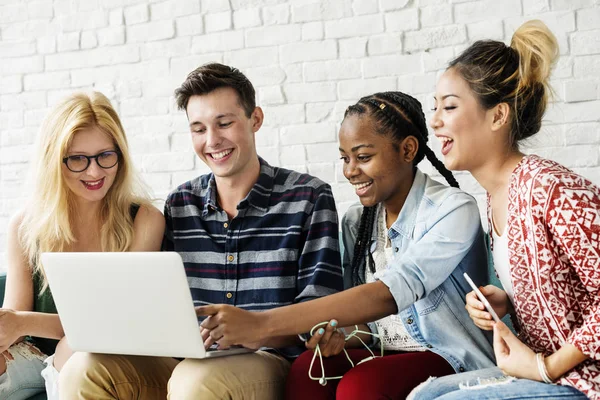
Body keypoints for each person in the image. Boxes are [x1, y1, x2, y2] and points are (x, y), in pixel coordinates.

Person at [59, 63, 343, 400]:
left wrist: (257, 328)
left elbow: (319, 309)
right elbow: (158, 305)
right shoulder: (181, 203)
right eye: (198, 129)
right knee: (83, 369)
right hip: (185, 362)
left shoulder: (308, 196)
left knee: (195, 380)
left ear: (255, 119)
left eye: (224, 123)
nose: (212, 141)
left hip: (267, 360)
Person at [196, 91, 496, 399]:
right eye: (345, 158)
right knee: (306, 370)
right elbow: (370, 326)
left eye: (363, 157)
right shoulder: (358, 221)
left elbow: (389, 292)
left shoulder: (453, 209)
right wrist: (341, 335)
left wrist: (261, 324)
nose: (350, 170)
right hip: (384, 352)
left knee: (362, 385)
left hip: (450, 357)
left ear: (407, 149)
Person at [410, 20, 599, 400]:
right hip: (548, 371)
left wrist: (548, 366)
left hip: (584, 378)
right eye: (435, 107)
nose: (434, 120)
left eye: (449, 106)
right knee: (422, 396)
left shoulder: (550, 187)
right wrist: (506, 301)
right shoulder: (495, 198)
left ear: (497, 116)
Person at [0, 91, 165, 400]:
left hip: (100, 360)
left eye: (105, 155)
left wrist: (24, 322)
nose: (94, 171)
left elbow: (114, 325)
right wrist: (13, 323)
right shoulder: (25, 225)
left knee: (77, 345)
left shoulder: (144, 220)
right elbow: (15, 326)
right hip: (36, 357)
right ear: (54, 161)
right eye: (77, 159)